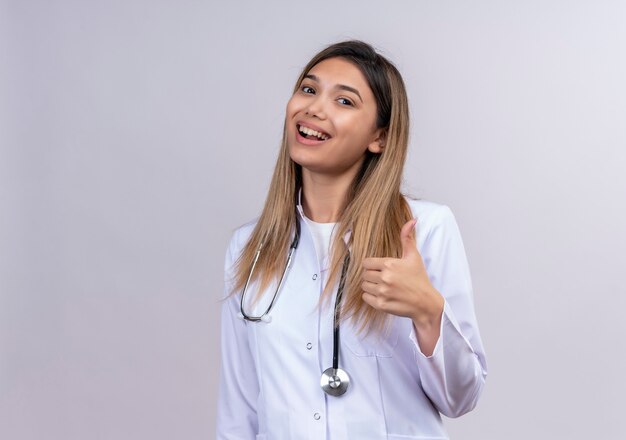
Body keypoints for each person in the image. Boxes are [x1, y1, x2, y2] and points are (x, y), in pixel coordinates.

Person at [217, 40, 487, 440]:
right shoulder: (249, 248)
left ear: (378, 137)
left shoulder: (424, 229)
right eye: (309, 90)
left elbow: (461, 398)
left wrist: (428, 311)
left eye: (344, 101)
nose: (314, 108)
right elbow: (238, 413)